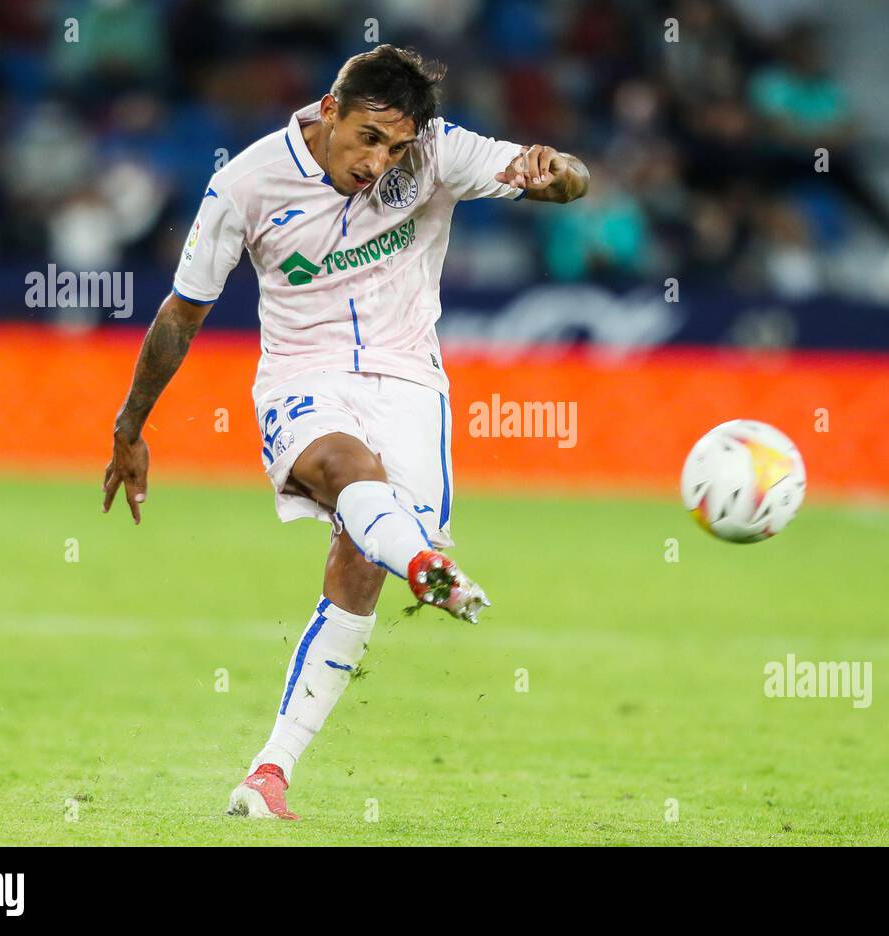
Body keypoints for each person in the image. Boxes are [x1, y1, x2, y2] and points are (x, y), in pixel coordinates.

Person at [100, 45, 589, 819]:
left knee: (363, 561)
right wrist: (130, 426)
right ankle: (428, 565)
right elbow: (181, 313)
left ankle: (270, 770)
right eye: (369, 137)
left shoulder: (437, 151)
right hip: (303, 376)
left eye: (396, 147)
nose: (380, 161)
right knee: (342, 469)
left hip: (409, 383)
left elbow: (571, 181)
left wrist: (552, 169)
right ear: (329, 109)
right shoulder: (246, 184)